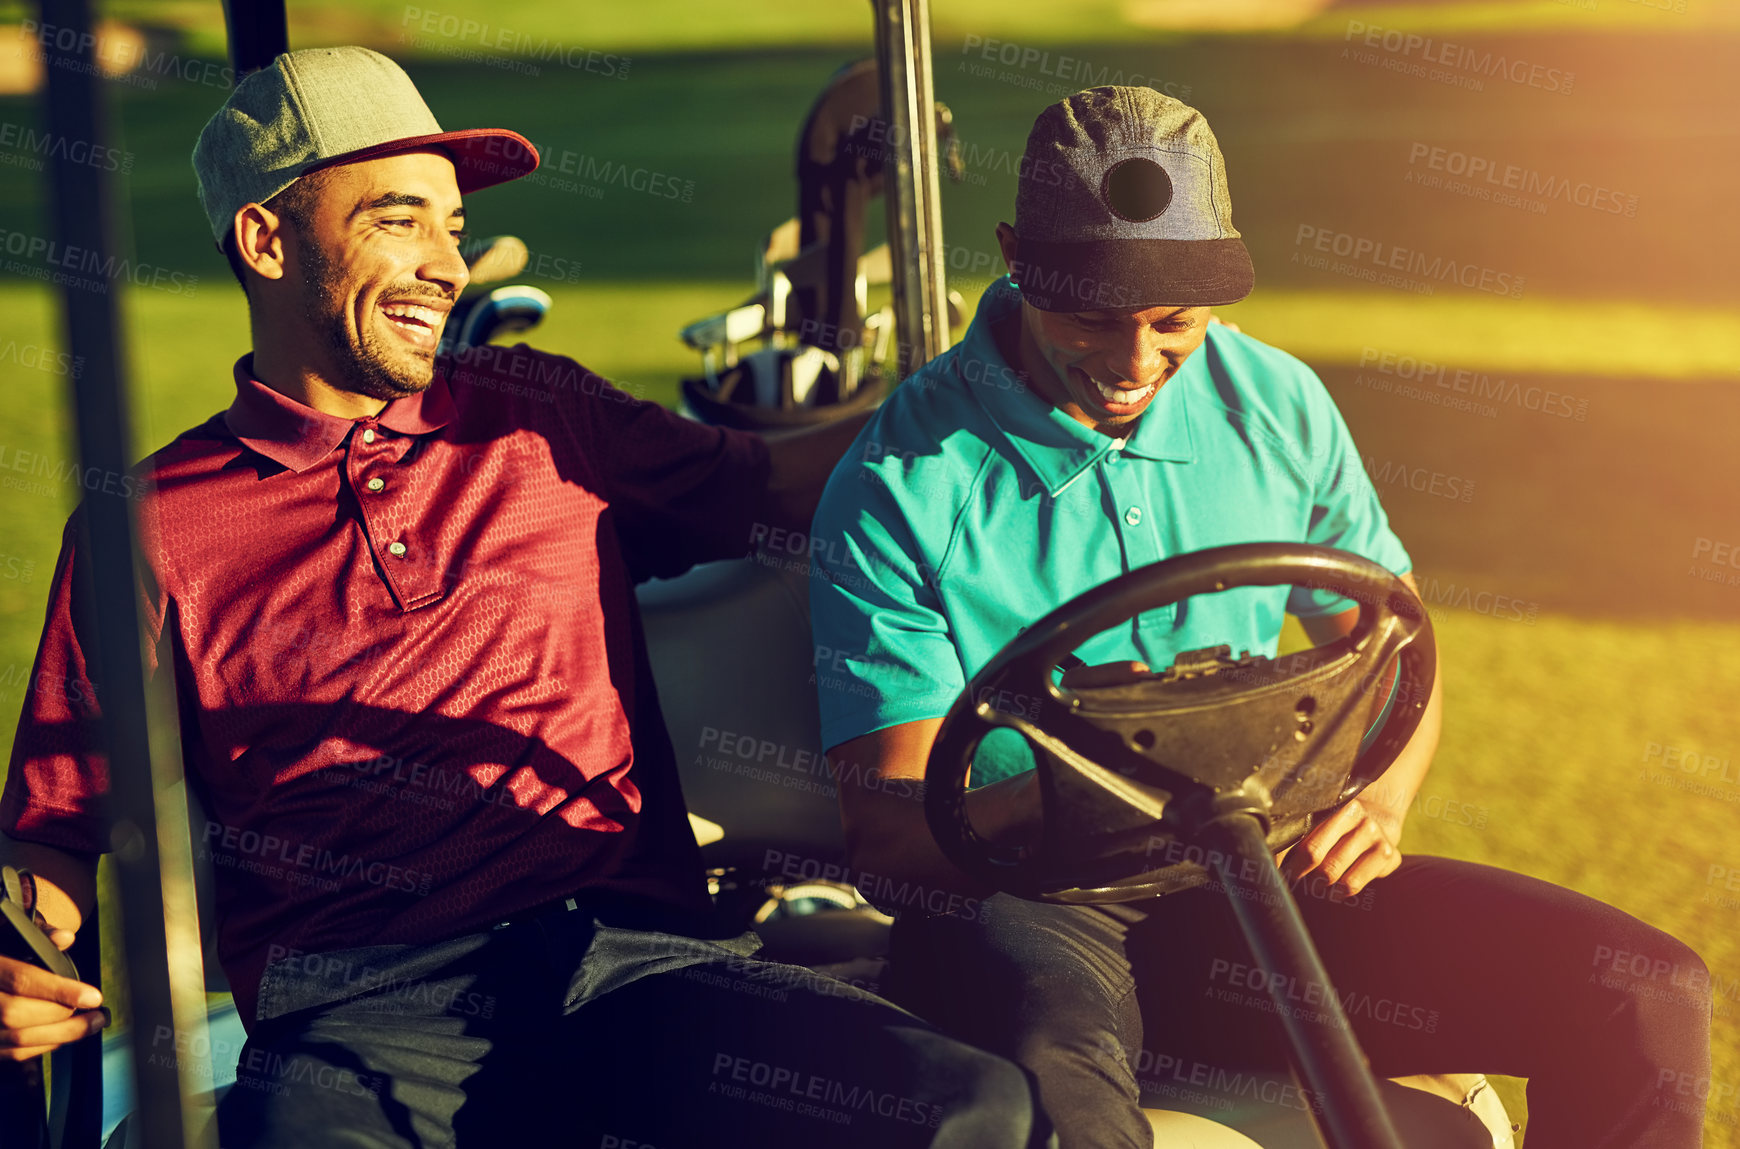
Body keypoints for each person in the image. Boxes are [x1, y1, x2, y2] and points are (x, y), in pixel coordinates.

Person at [0, 46, 1055, 1148]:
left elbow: (787, 485)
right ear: (267, 240)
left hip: (633, 968)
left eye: (453, 228)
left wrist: (1001, 361)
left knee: (964, 1111)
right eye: (399, 221)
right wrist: (18, 951)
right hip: (361, 1017)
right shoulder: (151, 525)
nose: (446, 266)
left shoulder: (540, 410)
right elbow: (56, 828)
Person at [809, 86, 1713, 1148]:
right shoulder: (901, 483)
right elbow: (888, 833)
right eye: (1093, 318)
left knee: (1644, 990)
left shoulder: (1275, 402)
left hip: (1251, 876)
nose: (1134, 364)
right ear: (1015, 255)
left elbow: (1390, 631)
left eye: (1173, 323)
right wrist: (1105, 781)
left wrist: (1379, 798)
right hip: (1032, 907)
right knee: (1063, 1108)